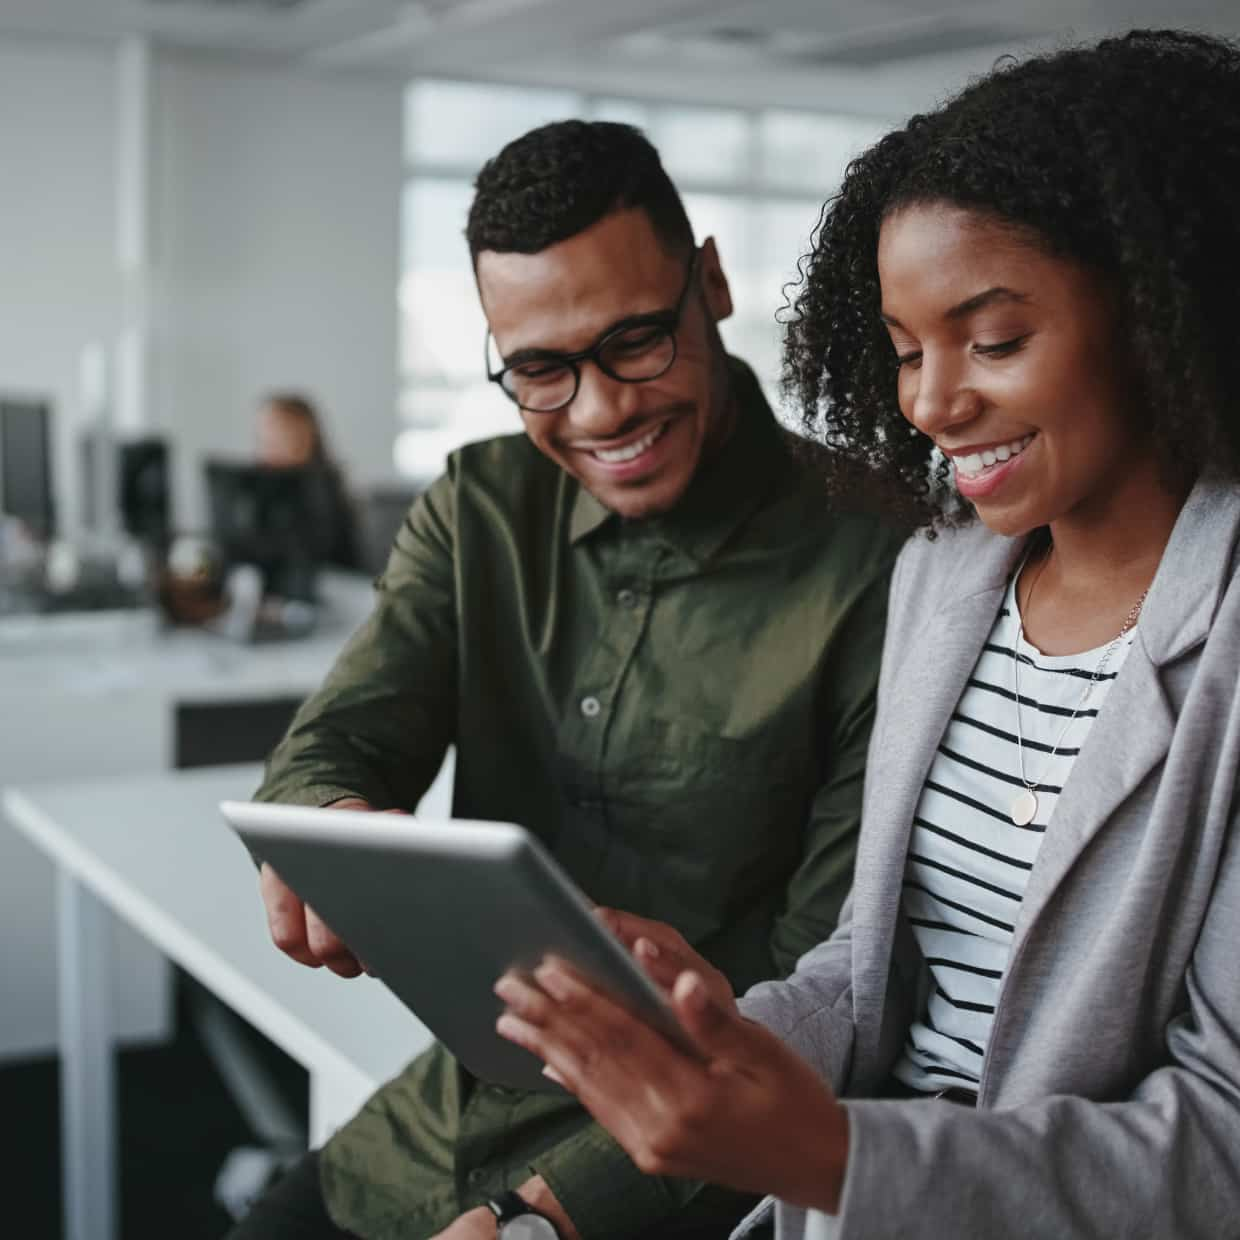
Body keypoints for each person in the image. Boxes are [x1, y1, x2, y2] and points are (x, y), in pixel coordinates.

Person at [495, 29, 1240, 1240]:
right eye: (903, 352)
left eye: (994, 340)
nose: (931, 402)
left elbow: (1220, 1143)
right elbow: (869, 963)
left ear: (1158, 308)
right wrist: (711, 1030)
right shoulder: (942, 578)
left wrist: (836, 1151)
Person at [234, 121, 903, 1240]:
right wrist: (320, 827)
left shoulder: (882, 559)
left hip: (684, 1170)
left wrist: (549, 1217)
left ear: (713, 284)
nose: (601, 412)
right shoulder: (478, 504)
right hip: (443, 1122)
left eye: (637, 340)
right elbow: (330, 746)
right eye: (541, 369)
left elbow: (825, 983)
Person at [255, 392, 360, 571]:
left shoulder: (323, 491)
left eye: (277, 437)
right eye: (263, 439)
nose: (267, 449)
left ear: (306, 437)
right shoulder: (257, 488)